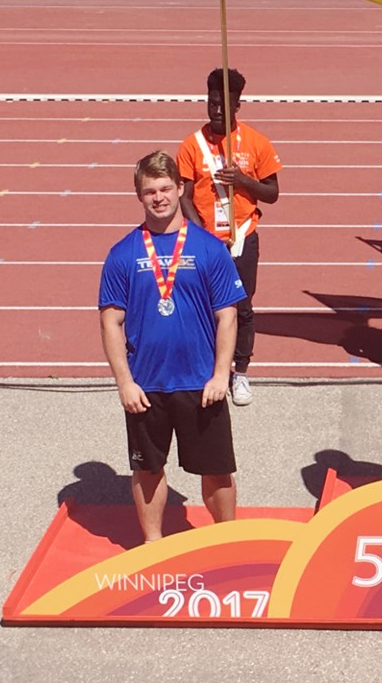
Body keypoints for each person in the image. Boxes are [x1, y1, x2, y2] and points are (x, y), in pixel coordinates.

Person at [99, 151, 247, 543]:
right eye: (150, 191)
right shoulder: (122, 254)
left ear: (180, 189)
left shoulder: (209, 249)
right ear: (139, 195)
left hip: (201, 384)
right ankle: (152, 544)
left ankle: (226, 540)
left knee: (216, 469)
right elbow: (111, 323)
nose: (159, 197)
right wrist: (125, 383)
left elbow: (227, 316)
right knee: (148, 469)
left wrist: (221, 374)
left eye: (166, 188)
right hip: (147, 386)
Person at [177, 68, 282, 406]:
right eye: (212, 103)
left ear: (238, 104)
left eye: (225, 104)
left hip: (243, 238)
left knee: (242, 307)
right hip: (207, 240)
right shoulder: (191, 146)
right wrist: (202, 234)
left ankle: (241, 372)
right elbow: (184, 195)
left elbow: (272, 192)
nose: (217, 110)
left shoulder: (256, 143)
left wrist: (243, 180)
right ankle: (209, 369)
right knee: (206, 307)